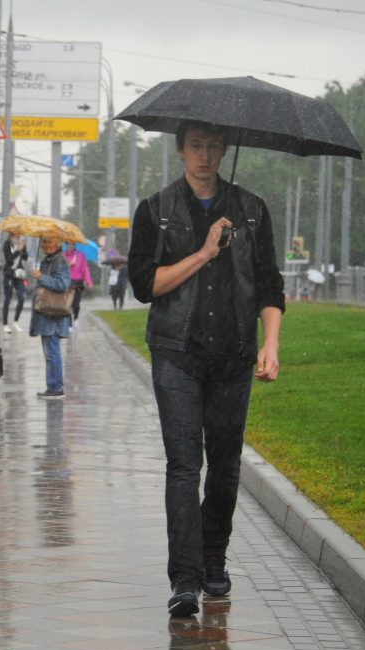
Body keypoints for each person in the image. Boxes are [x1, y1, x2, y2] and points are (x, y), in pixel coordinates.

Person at [127, 120, 284, 618]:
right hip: (177, 353)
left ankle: (214, 558)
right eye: (196, 146)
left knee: (225, 465)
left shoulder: (252, 211)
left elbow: (269, 285)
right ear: (180, 151)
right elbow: (145, 285)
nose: (205, 156)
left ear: (224, 151)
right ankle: (185, 580)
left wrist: (271, 343)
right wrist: (204, 252)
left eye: (214, 147)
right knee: (183, 465)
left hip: (234, 356)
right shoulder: (156, 211)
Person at [29, 234, 71, 399]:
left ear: (58, 243)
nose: (46, 245)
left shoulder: (59, 260)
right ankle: (52, 386)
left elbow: (62, 284)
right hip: (47, 315)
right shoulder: (48, 260)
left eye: (49, 242)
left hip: (53, 315)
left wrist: (42, 277)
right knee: (49, 353)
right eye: (44, 242)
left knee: (52, 352)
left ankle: (56, 388)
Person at [1, 235, 29, 333]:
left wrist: (23, 248)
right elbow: (9, 260)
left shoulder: (21, 243)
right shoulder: (7, 244)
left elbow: (25, 257)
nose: (17, 236)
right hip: (9, 274)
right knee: (7, 298)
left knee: (22, 297)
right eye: (15, 234)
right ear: (11, 234)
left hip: (19, 274)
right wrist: (17, 251)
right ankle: (5, 324)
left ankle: (15, 322)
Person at [63, 242, 92, 328]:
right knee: (68, 304)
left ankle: (76, 318)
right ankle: (69, 324)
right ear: (66, 245)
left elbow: (84, 269)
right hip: (67, 282)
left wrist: (88, 281)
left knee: (76, 303)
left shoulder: (80, 255)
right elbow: (60, 269)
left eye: (72, 244)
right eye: (68, 244)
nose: (70, 246)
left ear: (74, 245)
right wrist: (68, 265)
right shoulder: (63, 256)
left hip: (78, 283)